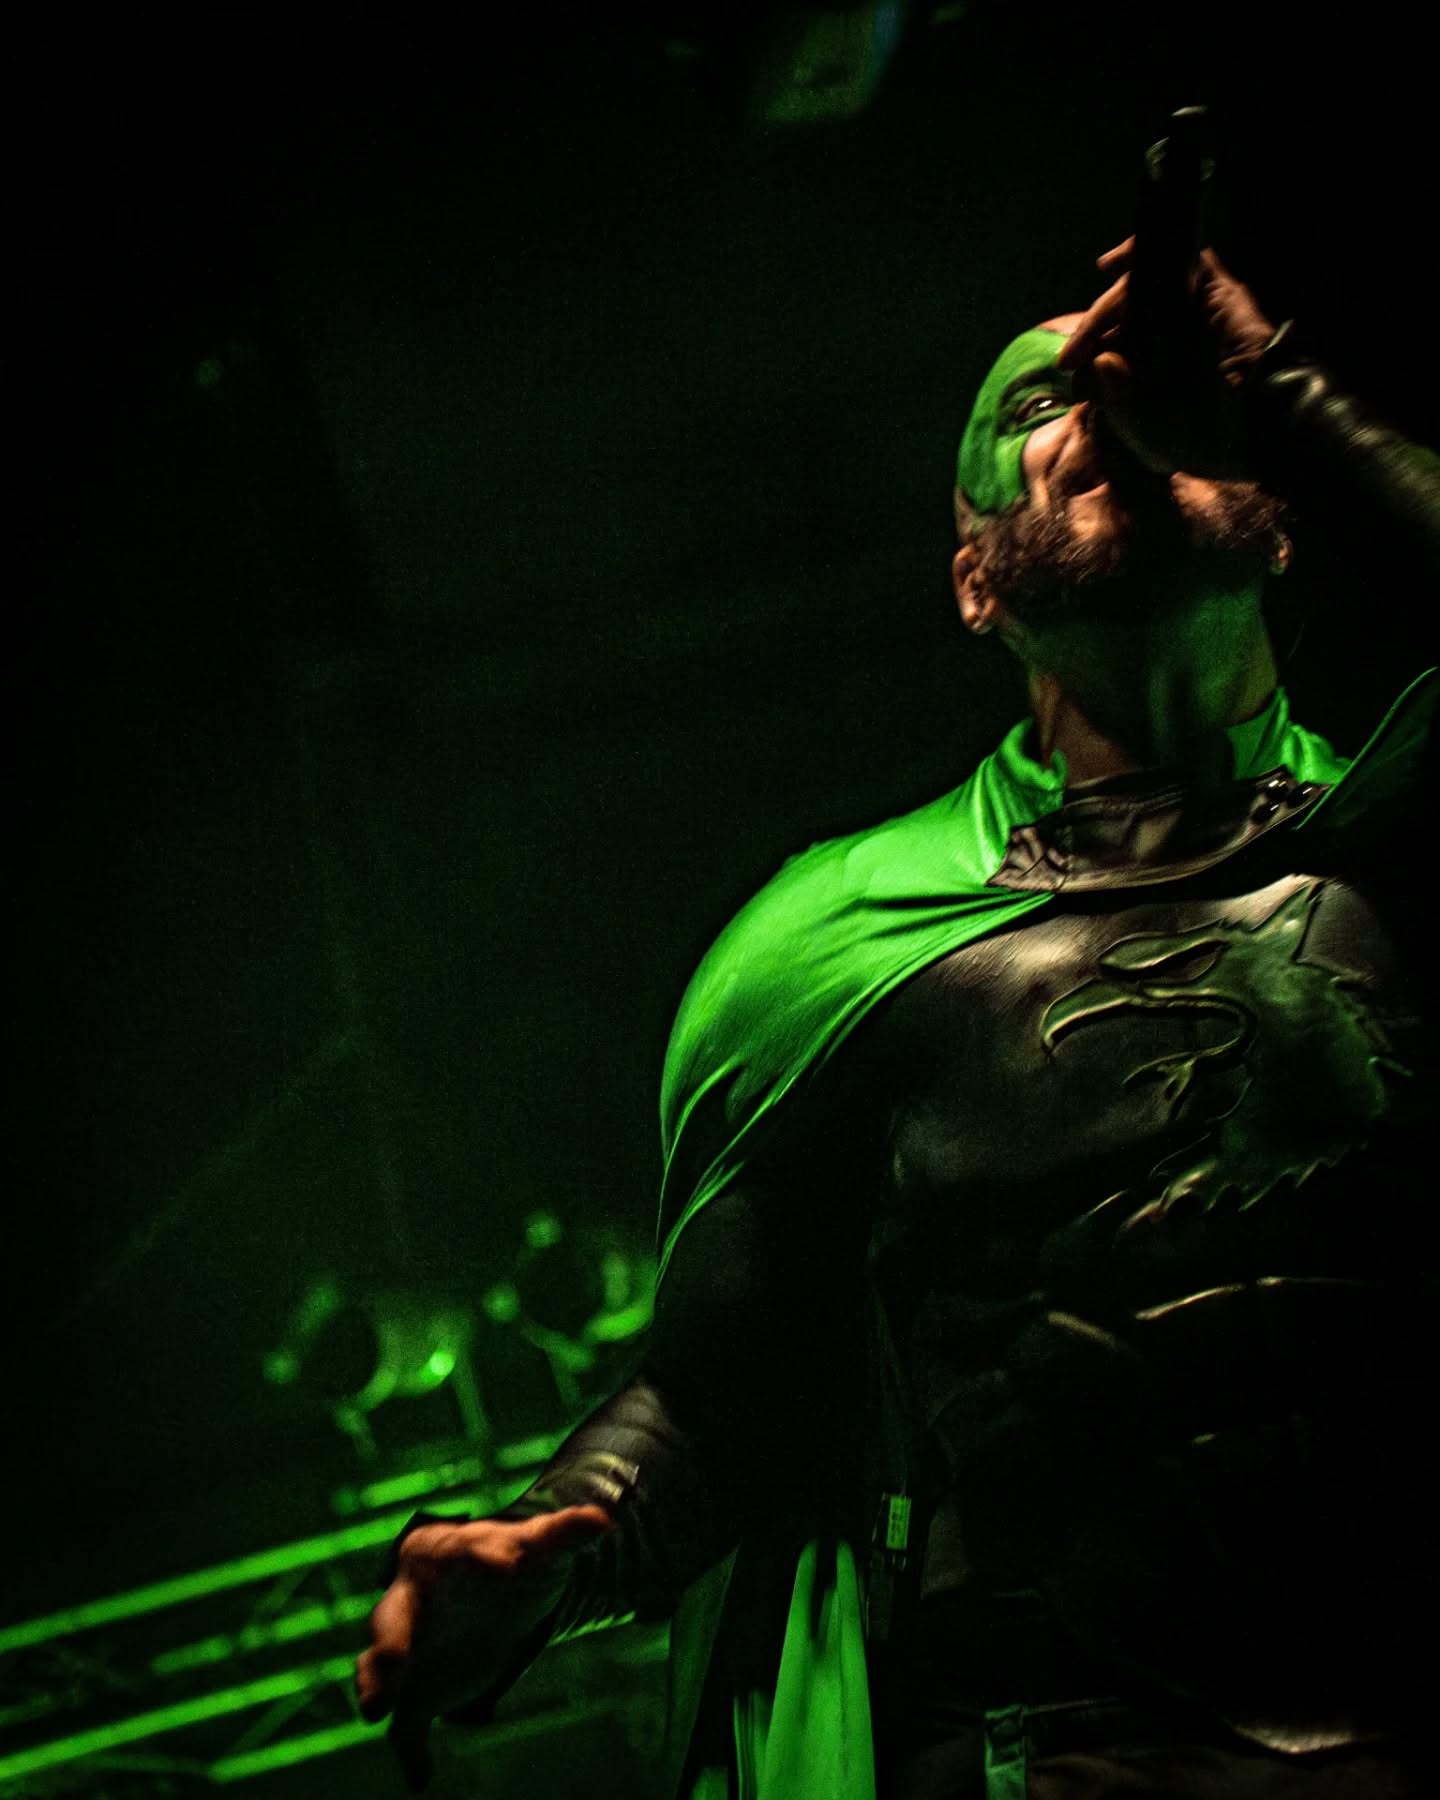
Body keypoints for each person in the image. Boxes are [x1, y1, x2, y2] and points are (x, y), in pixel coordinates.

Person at [355, 240, 1439, 1798]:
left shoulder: (1409, 846)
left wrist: (1281, 387)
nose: (1107, 409)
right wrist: (553, 1555)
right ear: (975, 577)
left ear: (1274, 508)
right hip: (1071, 1756)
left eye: (1151, 389)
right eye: (1044, 404)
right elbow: (728, 1399)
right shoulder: (833, 947)